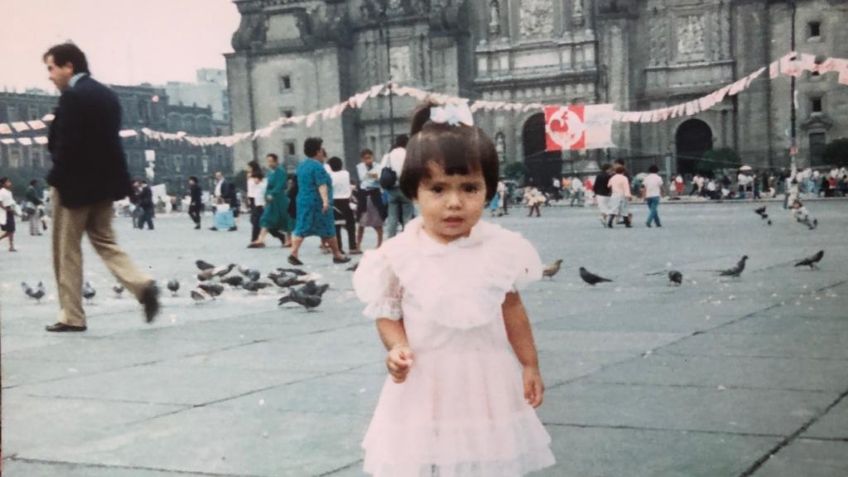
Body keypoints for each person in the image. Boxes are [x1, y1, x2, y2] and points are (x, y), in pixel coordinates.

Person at [352, 102, 554, 476]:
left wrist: (529, 363)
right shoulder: (398, 255)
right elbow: (388, 312)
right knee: (428, 457)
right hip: (425, 379)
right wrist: (397, 347)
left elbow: (512, 310)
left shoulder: (500, 249)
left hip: (487, 379)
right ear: (414, 192)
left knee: (487, 458)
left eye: (470, 188)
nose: (455, 202)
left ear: (489, 191)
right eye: (439, 189)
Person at [42, 43, 159, 332]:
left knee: (66, 251)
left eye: (51, 68)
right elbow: (112, 143)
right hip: (104, 186)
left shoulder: (73, 97)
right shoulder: (107, 95)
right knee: (105, 241)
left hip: (73, 188)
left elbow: (66, 145)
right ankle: (142, 285)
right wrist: (122, 183)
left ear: (69, 66)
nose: (50, 75)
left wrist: (55, 177)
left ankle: (72, 315)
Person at [288, 137, 350, 265]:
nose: (323, 152)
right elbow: (322, 185)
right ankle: (337, 255)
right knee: (328, 228)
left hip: (303, 201)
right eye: (321, 150)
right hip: (317, 202)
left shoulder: (301, 166)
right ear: (317, 152)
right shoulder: (318, 167)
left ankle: (293, 253)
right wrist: (326, 201)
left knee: (301, 227)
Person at [381, 134, 415, 238]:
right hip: (405, 187)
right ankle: (408, 238)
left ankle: (391, 239)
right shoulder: (409, 154)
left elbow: (381, 170)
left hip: (391, 188)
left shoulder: (388, 155)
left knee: (392, 216)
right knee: (407, 216)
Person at [355, 148, 385, 252]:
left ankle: (380, 244)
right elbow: (363, 177)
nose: (368, 160)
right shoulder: (359, 167)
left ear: (373, 156)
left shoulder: (379, 166)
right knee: (361, 222)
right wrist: (373, 176)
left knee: (378, 222)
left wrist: (372, 176)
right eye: (366, 158)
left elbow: (379, 177)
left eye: (370, 157)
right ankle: (358, 245)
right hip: (364, 195)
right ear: (362, 159)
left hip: (375, 194)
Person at [327, 156, 357, 254]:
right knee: (350, 225)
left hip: (335, 201)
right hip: (346, 201)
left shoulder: (330, 176)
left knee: (336, 227)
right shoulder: (346, 173)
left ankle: (339, 248)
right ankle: (352, 247)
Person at [245, 160, 267, 243]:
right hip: (252, 197)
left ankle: (255, 238)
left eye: (248, 167)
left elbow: (257, 185)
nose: (247, 169)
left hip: (257, 198)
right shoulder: (249, 175)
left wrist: (252, 178)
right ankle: (257, 237)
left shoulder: (257, 175)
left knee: (256, 219)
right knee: (255, 219)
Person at [0, 177, 19, 251]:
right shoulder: (1, 192)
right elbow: (0, 203)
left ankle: (11, 246)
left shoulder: (9, 192)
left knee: (11, 230)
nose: (9, 183)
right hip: (4, 212)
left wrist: (14, 210)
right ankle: (11, 245)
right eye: (8, 182)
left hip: (9, 211)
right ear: (3, 183)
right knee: (10, 230)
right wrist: (6, 209)